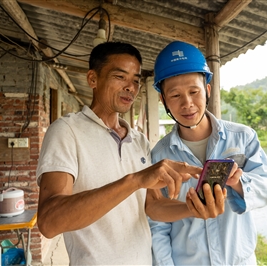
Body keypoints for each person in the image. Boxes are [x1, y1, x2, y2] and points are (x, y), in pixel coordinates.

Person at [36, 42, 208, 265]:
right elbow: (49, 223)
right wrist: (135, 180)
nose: (131, 87)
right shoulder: (67, 131)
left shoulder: (139, 141)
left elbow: (153, 206)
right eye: (120, 77)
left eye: (136, 80)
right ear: (92, 79)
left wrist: (192, 209)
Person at [149, 41, 267, 265]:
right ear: (163, 100)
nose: (187, 103)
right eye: (175, 95)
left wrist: (238, 183)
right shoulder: (160, 156)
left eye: (194, 91)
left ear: (207, 90)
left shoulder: (243, 137)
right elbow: (158, 227)